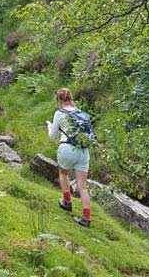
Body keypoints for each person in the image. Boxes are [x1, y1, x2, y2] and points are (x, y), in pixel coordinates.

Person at [46, 88, 91, 228]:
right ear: (70, 99)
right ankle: (86, 218)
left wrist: (49, 127)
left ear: (59, 100)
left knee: (63, 173)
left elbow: (52, 137)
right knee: (82, 187)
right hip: (83, 151)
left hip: (67, 149)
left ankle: (67, 202)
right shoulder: (83, 114)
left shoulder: (59, 114)